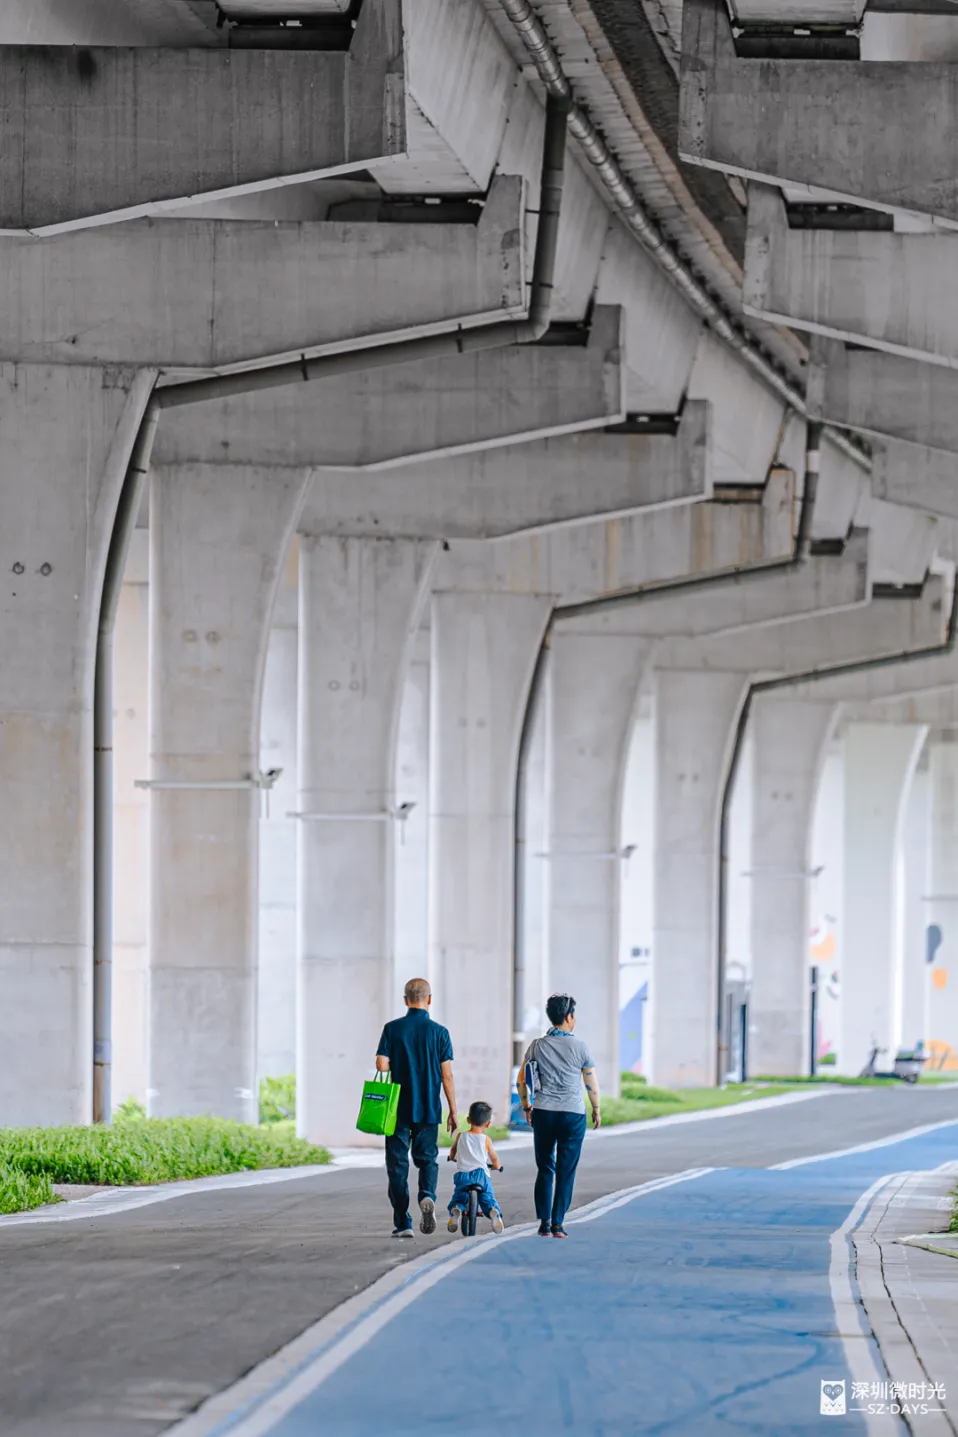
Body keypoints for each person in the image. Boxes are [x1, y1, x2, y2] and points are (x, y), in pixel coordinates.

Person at [375, 977, 458, 1239]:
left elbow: (381, 1066)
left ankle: (403, 1223)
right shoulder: (440, 1032)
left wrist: (397, 1059)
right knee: (427, 1160)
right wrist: (453, 1111)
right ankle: (427, 1196)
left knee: (397, 1166)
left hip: (396, 1110)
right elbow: (447, 1076)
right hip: (429, 1109)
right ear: (429, 1000)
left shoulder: (392, 1029)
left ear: (405, 1000)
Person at [517, 992, 600, 1239]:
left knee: (545, 1167)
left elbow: (522, 1080)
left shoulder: (537, 1045)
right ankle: (558, 1224)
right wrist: (596, 1108)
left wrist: (526, 1106)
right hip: (572, 1114)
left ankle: (544, 1222)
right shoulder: (581, 1046)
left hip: (543, 1112)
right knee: (566, 1169)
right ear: (568, 1016)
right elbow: (590, 1081)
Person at [446, 1100, 505, 1234]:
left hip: (463, 1175)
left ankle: (456, 1210)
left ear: (468, 1119)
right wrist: (497, 1166)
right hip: (481, 1175)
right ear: (488, 1124)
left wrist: (453, 1158)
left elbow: (453, 1151)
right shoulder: (486, 1139)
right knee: (487, 1197)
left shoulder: (461, 1136)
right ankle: (493, 1212)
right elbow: (494, 1158)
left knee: (459, 1197)